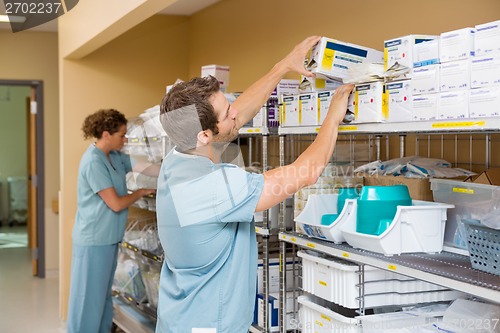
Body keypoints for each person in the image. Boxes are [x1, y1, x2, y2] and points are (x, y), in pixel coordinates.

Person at [155, 35, 354, 333]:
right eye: (226, 112)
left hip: (180, 318)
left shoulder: (178, 157)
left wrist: (283, 65)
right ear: (204, 135)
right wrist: (333, 116)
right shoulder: (213, 188)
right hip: (210, 326)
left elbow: (236, 116)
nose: (235, 111)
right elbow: (306, 172)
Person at [67, 109, 156, 333]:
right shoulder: (93, 162)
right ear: (106, 134)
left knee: (104, 296)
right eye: (122, 135)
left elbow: (143, 167)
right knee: (87, 298)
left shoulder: (115, 156)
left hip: (108, 239)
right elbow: (115, 203)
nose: (125, 140)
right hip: (93, 241)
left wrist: (172, 170)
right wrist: (140, 192)